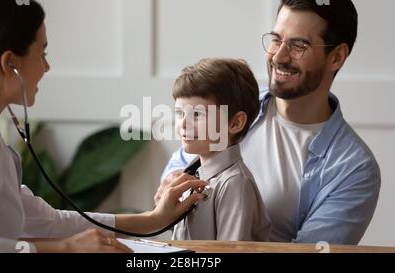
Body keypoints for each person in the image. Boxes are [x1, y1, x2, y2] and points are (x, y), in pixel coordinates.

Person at [0, 0, 207, 253]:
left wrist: (153, 219)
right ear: (10, 63)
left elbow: (46, 223)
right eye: (42, 53)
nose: (47, 67)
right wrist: (68, 248)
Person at [156, 0, 381, 245]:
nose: (279, 56)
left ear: (336, 57)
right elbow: (180, 166)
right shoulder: (234, 106)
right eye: (276, 39)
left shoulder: (354, 169)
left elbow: (309, 254)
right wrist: (173, 185)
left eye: (299, 45)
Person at [170, 58, 270, 241]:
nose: (183, 124)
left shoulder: (235, 184)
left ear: (235, 123)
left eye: (197, 114)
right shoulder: (191, 178)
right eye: (180, 113)